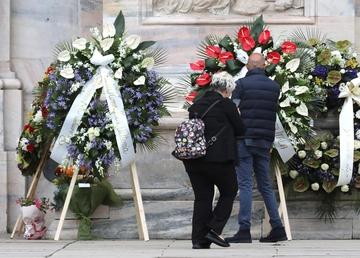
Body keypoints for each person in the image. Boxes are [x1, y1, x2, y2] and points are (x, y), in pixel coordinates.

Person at [225, 53, 287, 243]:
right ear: (264, 66)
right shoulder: (274, 87)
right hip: (265, 140)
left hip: (244, 140)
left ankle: (244, 230)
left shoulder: (241, 85)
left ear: (248, 67)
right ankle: (277, 227)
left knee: (245, 184)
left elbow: (232, 110)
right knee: (265, 185)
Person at [182, 71, 247, 249]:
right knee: (229, 190)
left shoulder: (196, 104)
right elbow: (241, 130)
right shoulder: (227, 105)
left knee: (203, 198)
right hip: (218, 159)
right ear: (226, 90)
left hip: (193, 159)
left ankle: (199, 240)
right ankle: (214, 228)